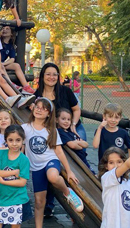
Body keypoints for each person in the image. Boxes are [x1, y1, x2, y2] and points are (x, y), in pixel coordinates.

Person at [33, 62, 86, 217]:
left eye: (55, 74)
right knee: (49, 162)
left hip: (71, 126)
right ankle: (49, 204)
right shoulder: (38, 95)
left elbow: (76, 109)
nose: (52, 77)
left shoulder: (65, 91)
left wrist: (74, 126)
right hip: (53, 132)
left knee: (79, 148)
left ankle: (87, 175)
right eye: (48, 74)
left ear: (58, 77)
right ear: (43, 76)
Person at [22, 97, 84, 228]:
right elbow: (21, 149)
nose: (39, 110)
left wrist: (69, 171)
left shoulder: (51, 130)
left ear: (49, 114)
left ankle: (68, 192)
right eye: (37, 107)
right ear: (32, 108)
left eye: (44, 109)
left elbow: (59, 151)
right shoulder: (25, 128)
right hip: (36, 167)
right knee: (39, 202)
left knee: (53, 176)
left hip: (50, 161)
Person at [0, 125, 31, 228]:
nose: (14, 144)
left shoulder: (24, 160)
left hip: (17, 199)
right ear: (6, 140)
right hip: (1, 199)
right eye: (11, 140)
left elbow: (22, 182)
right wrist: (14, 172)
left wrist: (3, 181)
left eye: (18, 140)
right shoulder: (0, 154)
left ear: (23, 140)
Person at [56, 108, 94, 174]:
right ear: (56, 120)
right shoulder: (60, 132)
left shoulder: (71, 132)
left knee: (93, 174)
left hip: (82, 158)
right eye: (63, 119)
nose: (66, 121)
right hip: (77, 160)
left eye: (68, 119)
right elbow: (72, 145)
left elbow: (86, 144)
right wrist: (79, 144)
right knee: (89, 174)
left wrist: (77, 142)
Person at [0, 25, 35, 94]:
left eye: (7, 29)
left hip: (2, 63)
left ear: (11, 33)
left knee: (16, 65)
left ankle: (26, 87)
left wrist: (3, 63)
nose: (4, 30)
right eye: (3, 28)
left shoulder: (10, 45)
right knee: (2, 66)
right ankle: (11, 85)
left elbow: (12, 59)